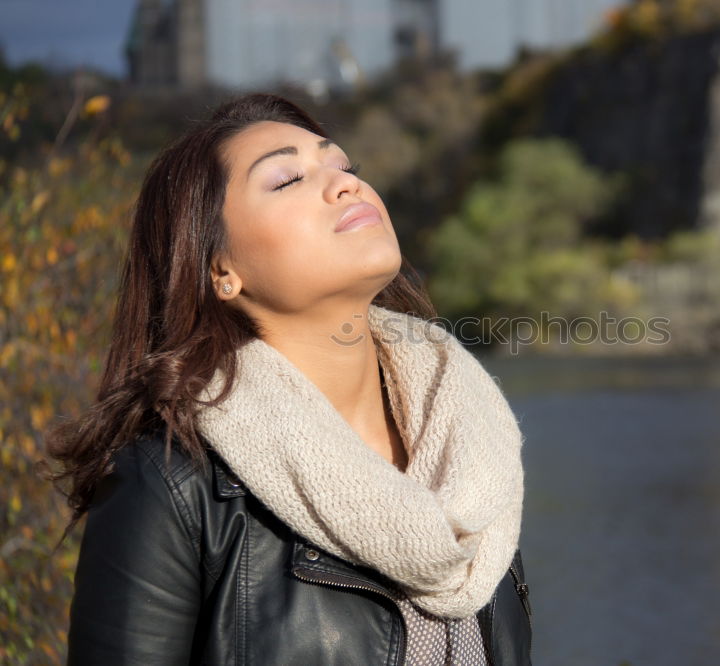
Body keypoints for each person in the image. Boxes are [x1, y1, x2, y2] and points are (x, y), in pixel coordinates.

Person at [45, 92, 533, 665]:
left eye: (344, 166)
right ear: (220, 270)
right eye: (286, 180)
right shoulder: (171, 482)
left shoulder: (473, 450)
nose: (345, 183)